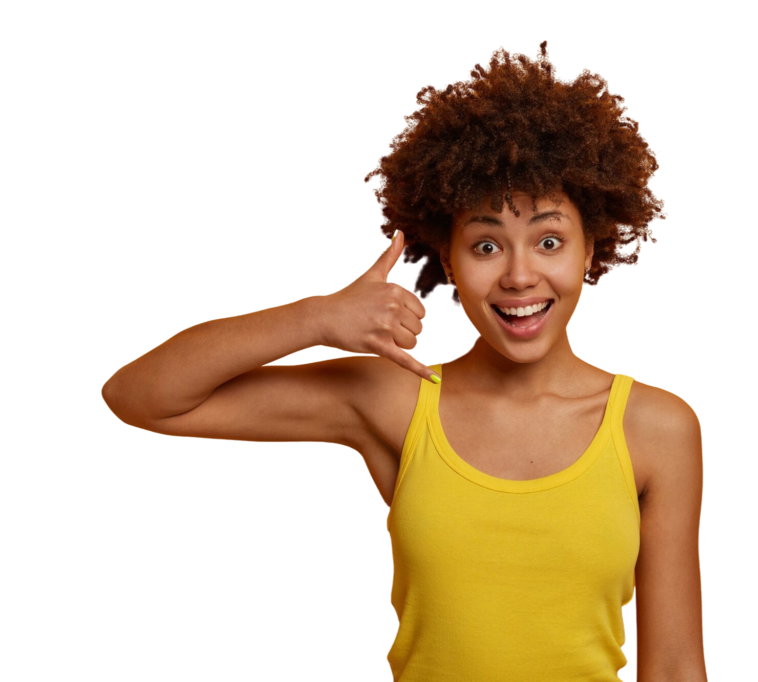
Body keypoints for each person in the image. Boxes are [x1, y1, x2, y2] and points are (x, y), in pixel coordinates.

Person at [102, 41, 704, 681]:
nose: (520, 275)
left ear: (590, 251)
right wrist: (317, 317)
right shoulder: (396, 399)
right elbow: (140, 397)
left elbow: (670, 665)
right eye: (486, 245)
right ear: (449, 264)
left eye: (549, 240)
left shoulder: (658, 427)